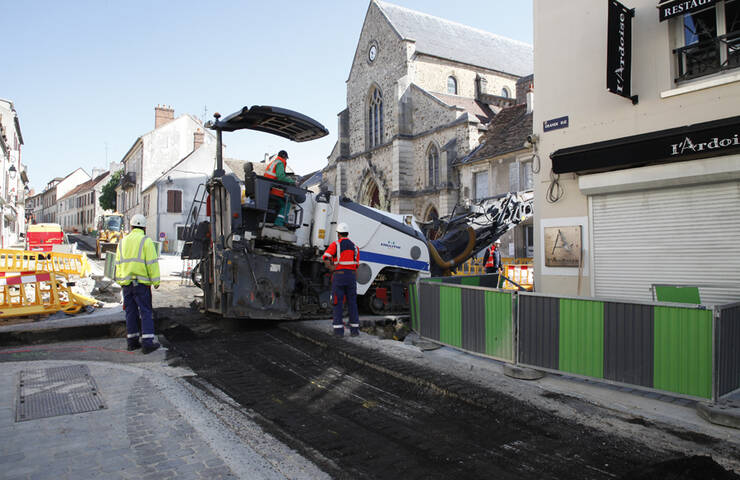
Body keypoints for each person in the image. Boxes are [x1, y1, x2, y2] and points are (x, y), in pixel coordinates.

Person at [115, 214, 161, 354]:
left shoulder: (122, 242)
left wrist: (120, 281)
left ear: (131, 227)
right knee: (145, 311)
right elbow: (152, 263)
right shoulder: (146, 241)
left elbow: (118, 263)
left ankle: (132, 342)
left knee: (130, 312)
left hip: (127, 284)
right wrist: (156, 281)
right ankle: (147, 343)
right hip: (141, 284)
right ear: (144, 228)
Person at [322, 222, 360, 337]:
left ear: (338, 234)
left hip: (339, 276)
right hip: (351, 277)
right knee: (352, 303)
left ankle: (338, 331)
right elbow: (356, 266)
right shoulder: (355, 247)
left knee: (337, 302)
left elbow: (325, 257)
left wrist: (331, 267)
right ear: (347, 233)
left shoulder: (335, 245)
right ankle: (354, 331)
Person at [264, 150, 295, 227]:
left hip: (268, 188)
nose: (286, 160)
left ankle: (281, 221)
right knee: (286, 203)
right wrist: (292, 181)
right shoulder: (280, 163)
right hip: (274, 189)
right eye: (286, 158)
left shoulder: (274, 162)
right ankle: (279, 223)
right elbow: (280, 177)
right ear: (284, 157)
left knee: (283, 202)